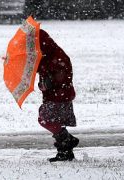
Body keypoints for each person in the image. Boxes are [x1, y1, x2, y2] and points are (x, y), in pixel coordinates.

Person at [38, 29, 79, 162]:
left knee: (45, 119)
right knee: (55, 121)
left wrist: (48, 84)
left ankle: (67, 140)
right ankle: (65, 151)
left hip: (60, 96)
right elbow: (42, 73)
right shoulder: (45, 56)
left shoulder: (57, 56)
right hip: (54, 96)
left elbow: (62, 77)